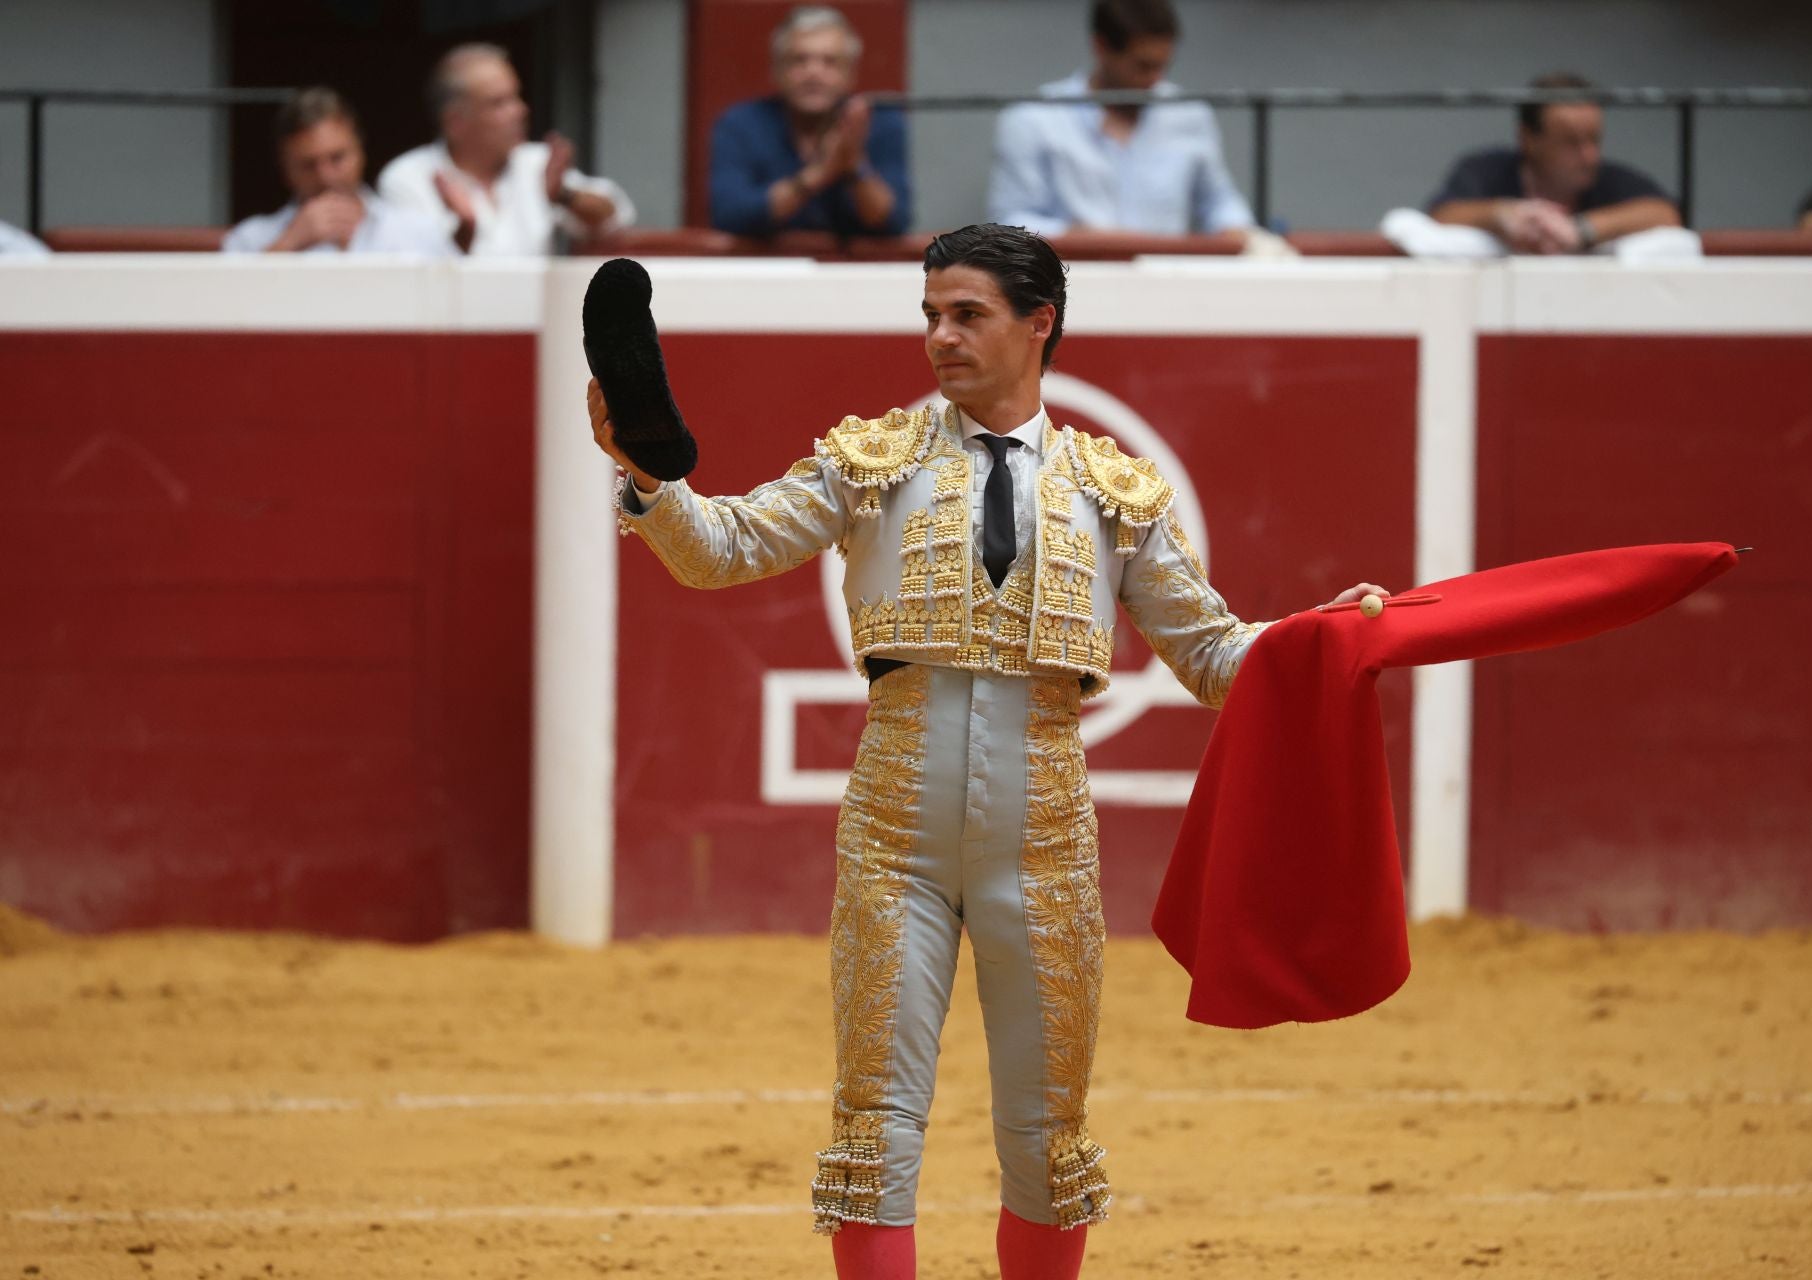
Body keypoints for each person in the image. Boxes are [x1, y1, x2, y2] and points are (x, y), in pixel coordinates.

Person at [588, 223, 1386, 1280]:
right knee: (873, 1128)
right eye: (929, 315)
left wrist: (1319, 638)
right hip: (894, 838)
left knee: (1048, 1136)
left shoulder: (1116, 493)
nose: (940, 338)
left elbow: (1210, 653)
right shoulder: (869, 461)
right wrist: (649, 477)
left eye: (966, 314)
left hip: (1047, 841)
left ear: (1037, 321)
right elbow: (722, 549)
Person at [987, 0, 1255, 244]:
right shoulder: (1034, 118)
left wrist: (1234, 229)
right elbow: (1010, 222)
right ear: (1101, 47)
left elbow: (1220, 202)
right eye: (1143, 66)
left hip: (1167, 280)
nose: (1155, 80)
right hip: (1070, 278)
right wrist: (1088, 239)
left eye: (1163, 66)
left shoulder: (1189, 113)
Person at [378, 44, 634, 256]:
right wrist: (464, 231)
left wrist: (564, 196)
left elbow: (616, 218)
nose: (520, 111)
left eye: (517, 97)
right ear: (455, 122)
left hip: (537, 318)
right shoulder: (407, 177)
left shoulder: (536, 163)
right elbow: (415, 274)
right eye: (499, 103)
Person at [708, 5, 910, 238]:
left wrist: (854, 165)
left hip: (855, 271)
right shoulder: (739, 124)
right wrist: (818, 174)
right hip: (765, 270)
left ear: (851, 74)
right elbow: (730, 216)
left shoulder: (881, 123)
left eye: (830, 62)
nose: (813, 72)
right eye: (798, 60)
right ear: (776, 71)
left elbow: (895, 222)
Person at [1427, 72, 1682, 253]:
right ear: (1528, 139)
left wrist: (1581, 230)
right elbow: (1442, 214)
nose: (1589, 156)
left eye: (1594, 140)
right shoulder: (1485, 170)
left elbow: (1665, 214)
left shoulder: (1608, 177)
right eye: (1571, 142)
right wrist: (1502, 215)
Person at [223, 88, 453, 256]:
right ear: (285, 170)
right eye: (308, 164)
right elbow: (226, 310)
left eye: (337, 158)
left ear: (361, 153)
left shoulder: (418, 230)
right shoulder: (250, 239)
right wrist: (286, 246)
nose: (326, 176)